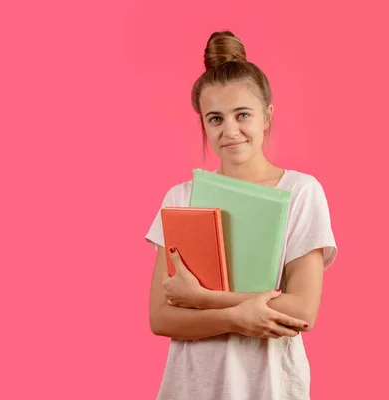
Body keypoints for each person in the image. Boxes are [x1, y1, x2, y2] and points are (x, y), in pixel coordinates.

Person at [144, 31, 338, 400]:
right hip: (192, 385)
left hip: (270, 385)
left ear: (267, 117)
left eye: (242, 115)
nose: (230, 130)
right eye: (215, 119)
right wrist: (240, 315)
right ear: (203, 123)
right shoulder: (182, 198)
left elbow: (301, 309)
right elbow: (161, 318)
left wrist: (202, 299)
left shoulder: (299, 192)